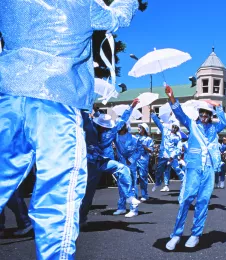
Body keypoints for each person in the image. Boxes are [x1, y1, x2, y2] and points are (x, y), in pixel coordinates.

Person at [0, 1, 138, 258]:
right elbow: (118, 18)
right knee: (58, 199)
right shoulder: (82, 3)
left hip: (7, 97)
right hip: (57, 100)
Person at [164, 86, 226, 250]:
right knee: (186, 200)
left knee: (203, 201)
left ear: (210, 115)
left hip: (209, 169)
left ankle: (195, 234)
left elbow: (224, 121)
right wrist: (172, 97)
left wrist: (216, 104)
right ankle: (176, 235)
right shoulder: (191, 124)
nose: (204, 115)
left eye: (207, 113)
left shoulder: (214, 128)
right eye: (202, 112)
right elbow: (179, 114)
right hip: (193, 168)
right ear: (198, 113)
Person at [80, 99, 140, 220]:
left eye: (105, 127)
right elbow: (83, 115)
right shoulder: (89, 128)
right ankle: (81, 218)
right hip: (89, 163)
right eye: (102, 126)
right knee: (88, 193)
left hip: (103, 161)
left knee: (123, 169)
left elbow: (122, 119)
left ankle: (129, 197)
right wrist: (87, 105)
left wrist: (131, 107)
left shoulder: (111, 131)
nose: (104, 128)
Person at [151, 112, 183, 192]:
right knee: (161, 170)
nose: (174, 128)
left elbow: (178, 148)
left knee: (177, 169)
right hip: (163, 155)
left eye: (176, 127)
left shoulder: (177, 137)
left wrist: (172, 156)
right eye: (173, 127)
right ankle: (161, 184)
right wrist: (153, 114)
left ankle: (185, 183)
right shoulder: (165, 131)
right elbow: (158, 123)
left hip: (172, 156)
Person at [135, 123, 154, 200]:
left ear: (144, 129)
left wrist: (143, 145)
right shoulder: (135, 138)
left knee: (143, 177)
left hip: (143, 160)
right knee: (133, 177)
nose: (138, 129)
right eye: (138, 127)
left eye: (140, 128)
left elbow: (151, 150)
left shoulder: (148, 139)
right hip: (134, 159)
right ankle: (134, 195)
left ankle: (144, 195)